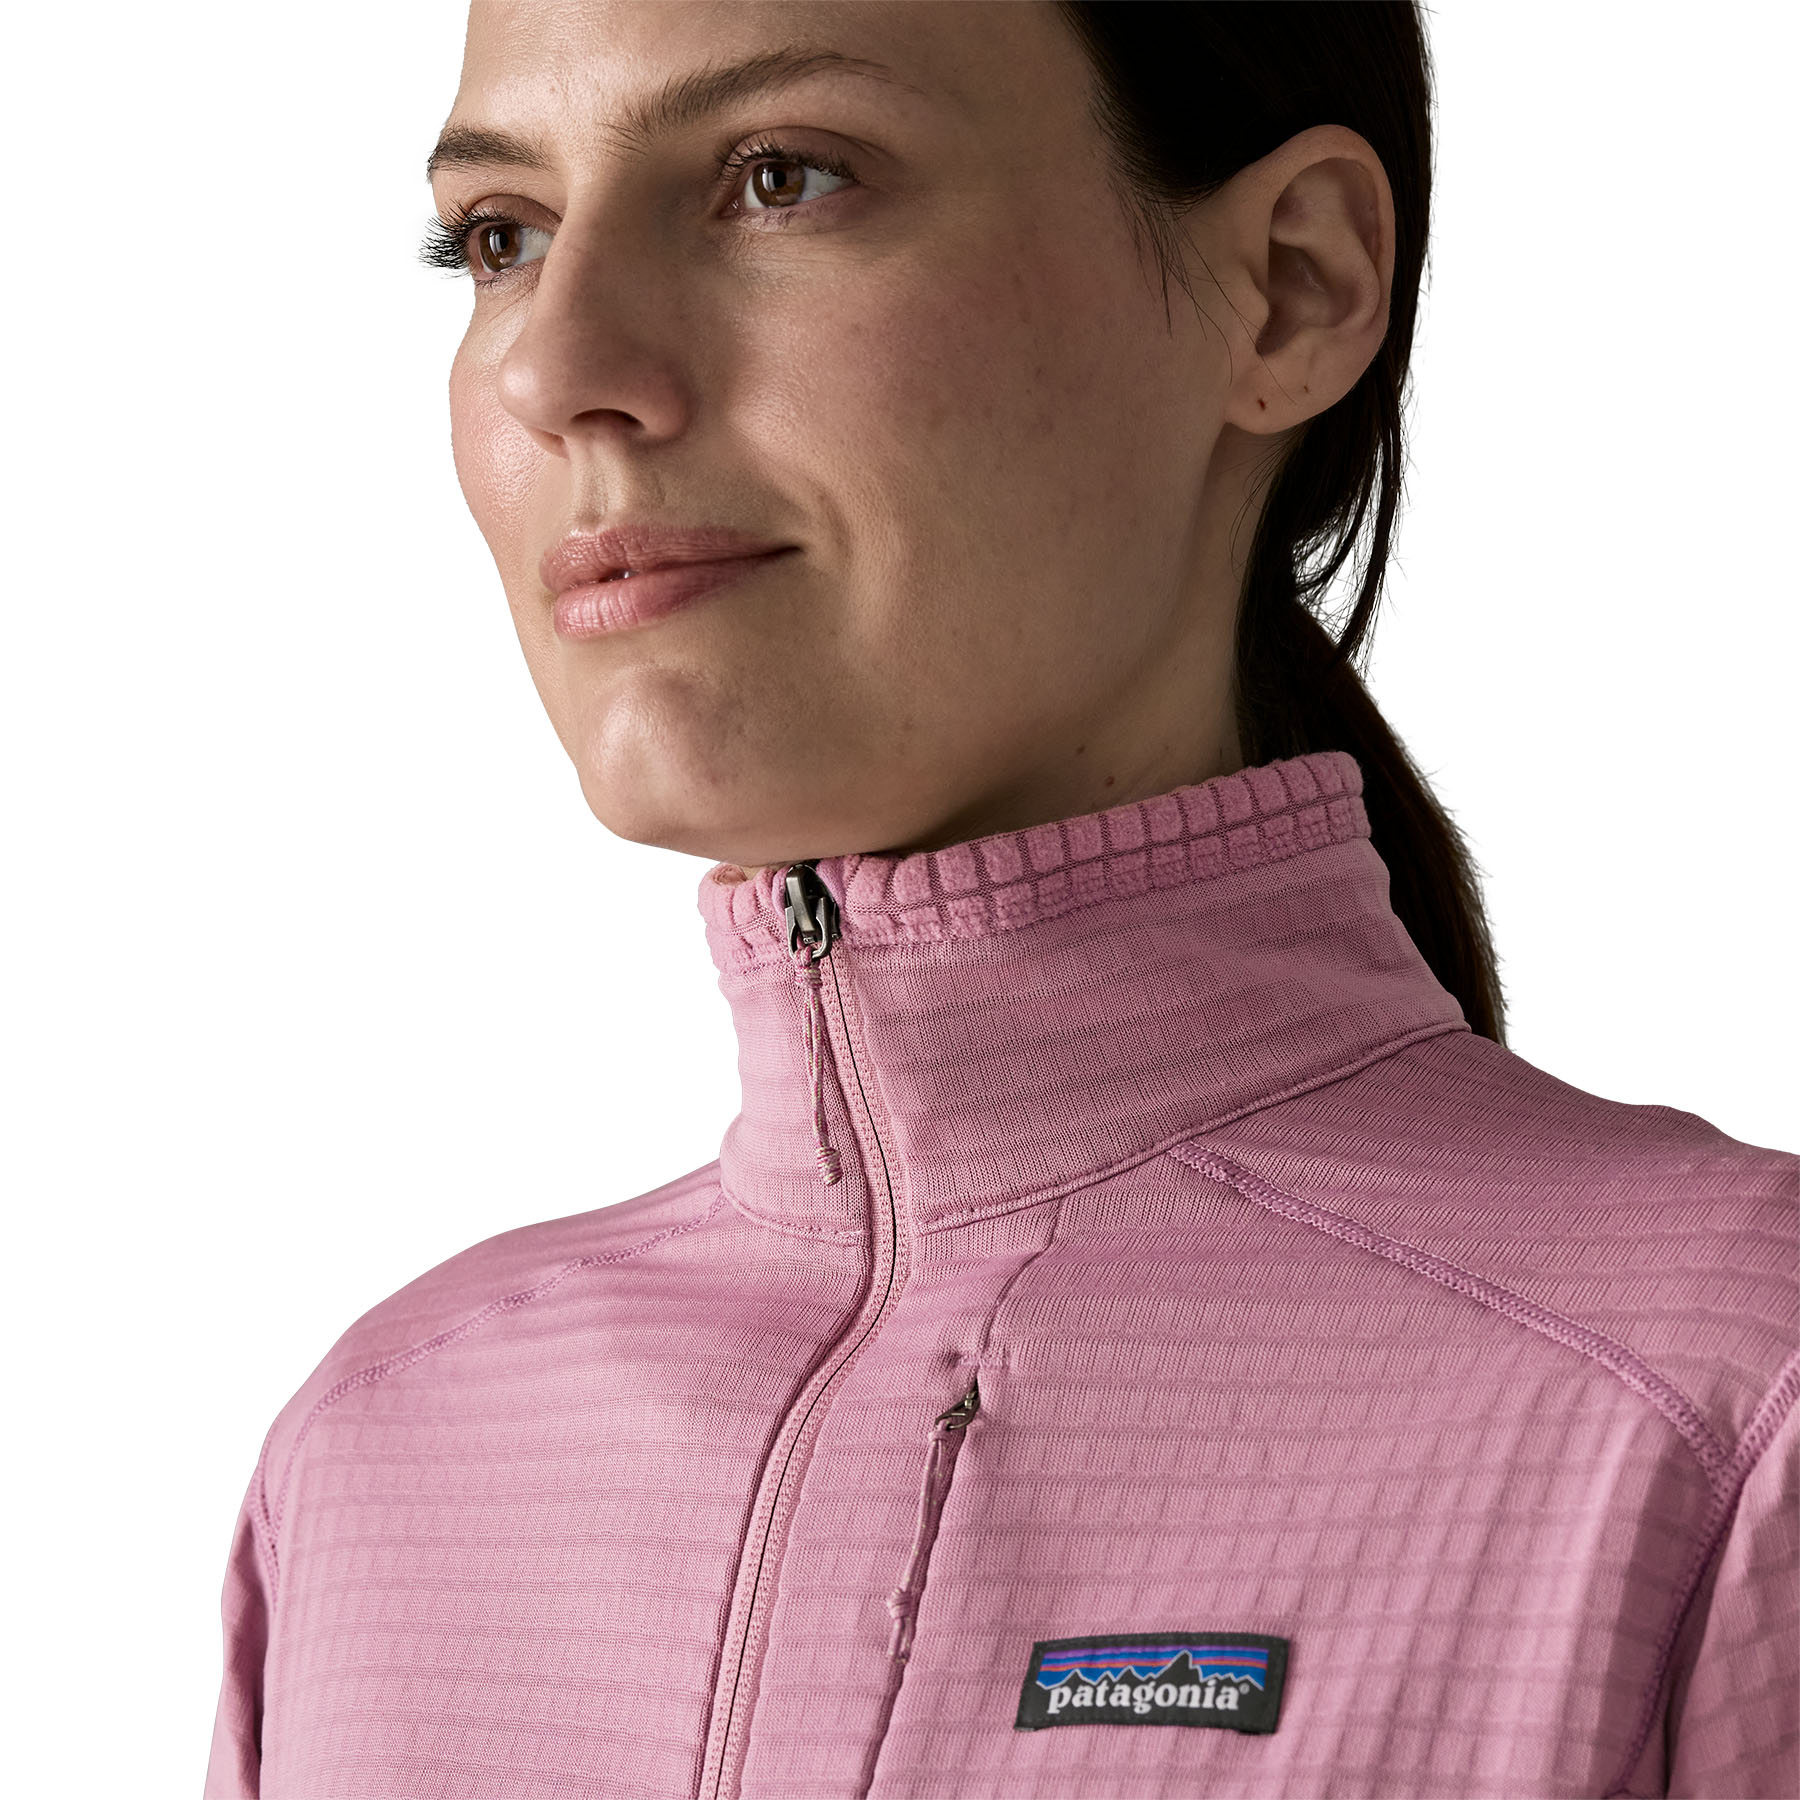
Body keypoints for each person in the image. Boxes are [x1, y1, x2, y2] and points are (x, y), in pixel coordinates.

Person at [205, 3, 1797, 1796]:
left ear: (1292, 287)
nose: (555, 365)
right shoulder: (382, 1471)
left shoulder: (1730, 1418)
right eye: (500, 236)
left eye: (782, 178)